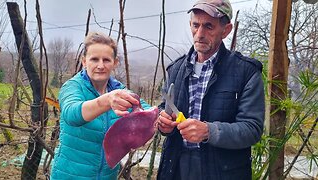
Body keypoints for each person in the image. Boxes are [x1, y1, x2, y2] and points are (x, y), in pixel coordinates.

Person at [156, 0, 265, 179]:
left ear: (226, 30)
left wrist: (209, 131)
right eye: (195, 25)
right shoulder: (175, 69)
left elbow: (252, 129)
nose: (199, 34)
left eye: (209, 26)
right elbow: (164, 108)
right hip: (176, 167)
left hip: (222, 171)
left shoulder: (246, 72)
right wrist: (163, 123)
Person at [50, 32, 149, 179]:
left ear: (115, 63)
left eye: (106, 60)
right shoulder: (73, 87)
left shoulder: (119, 91)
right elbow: (72, 114)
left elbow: (146, 110)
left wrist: (161, 119)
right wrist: (107, 101)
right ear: (84, 61)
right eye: (94, 59)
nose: (100, 66)